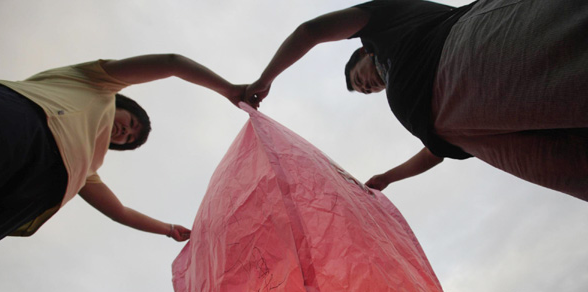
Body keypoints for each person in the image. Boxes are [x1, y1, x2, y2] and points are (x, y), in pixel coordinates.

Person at [244, 0, 588, 201]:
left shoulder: (383, 23)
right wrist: (388, 177)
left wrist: (265, 79)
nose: (367, 88)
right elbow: (434, 154)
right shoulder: (408, 97)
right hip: (468, 134)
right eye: (366, 92)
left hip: (464, 53)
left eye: (360, 79)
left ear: (364, 51)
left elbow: (310, 31)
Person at [0, 54, 245, 247]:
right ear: (123, 105)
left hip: (22, 197)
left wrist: (167, 229)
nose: (125, 133)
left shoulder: (87, 169)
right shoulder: (95, 83)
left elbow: (119, 212)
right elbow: (172, 63)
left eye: (129, 139)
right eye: (131, 123)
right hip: (19, 122)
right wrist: (229, 90)